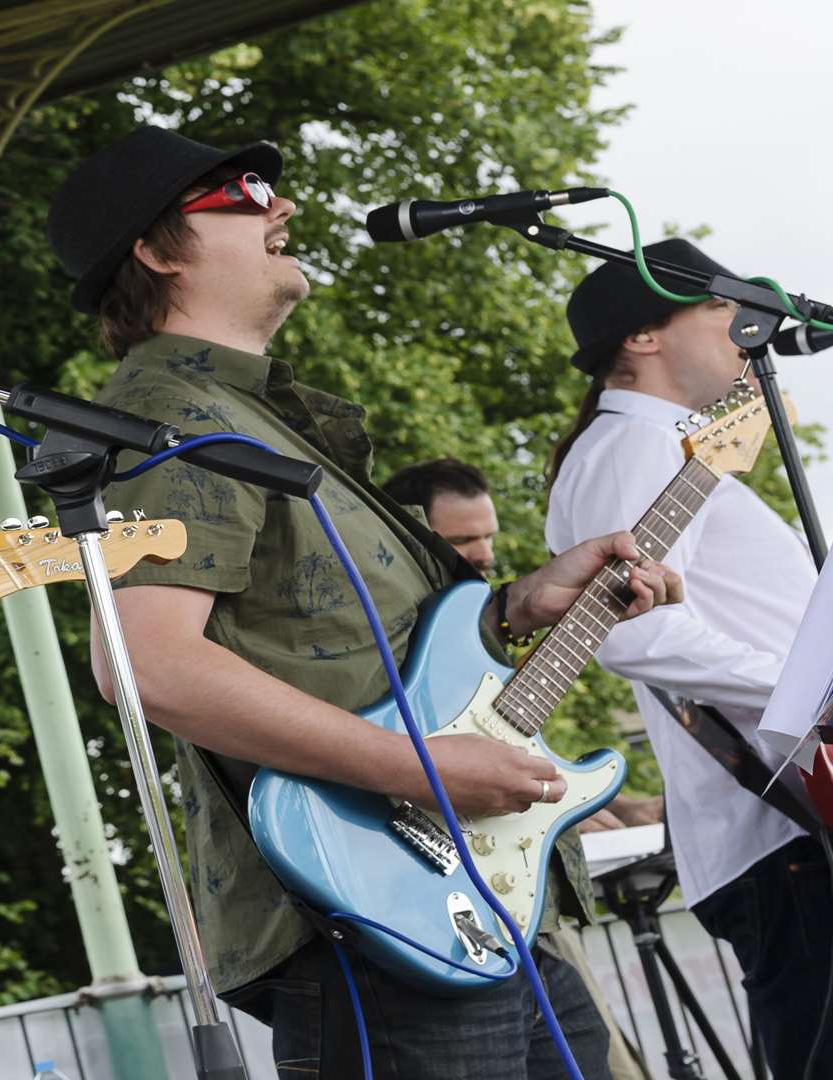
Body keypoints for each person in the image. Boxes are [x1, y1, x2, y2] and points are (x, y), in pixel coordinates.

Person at [48, 126, 682, 1079]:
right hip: (368, 909)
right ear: (154, 248)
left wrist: (515, 604)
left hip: (464, 905)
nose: (282, 206)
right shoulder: (170, 415)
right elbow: (145, 663)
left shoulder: (244, 413)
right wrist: (416, 769)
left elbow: (353, 645)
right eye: (245, 193)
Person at [545, 238, 832, 1078]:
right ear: (643, 336)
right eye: (719, 306)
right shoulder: (630, 448)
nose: (742, 325)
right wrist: (808, 694)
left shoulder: (661, 448)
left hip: (784, 820)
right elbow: (627, 631)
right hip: (777, 829)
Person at [384, 458, 658, 1080]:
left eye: (488, 536)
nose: (482, 553)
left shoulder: (482, 623)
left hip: (529, 905)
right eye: (461, 541)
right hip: (431, 896)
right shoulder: (398, 634)